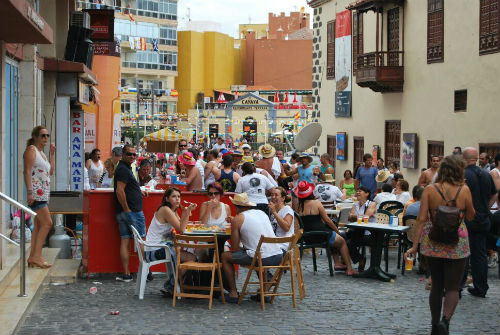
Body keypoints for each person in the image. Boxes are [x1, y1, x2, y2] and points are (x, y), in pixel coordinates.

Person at [405, 154, 475, 335]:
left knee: (436, 285)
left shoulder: (429, 190)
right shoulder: (464, 190)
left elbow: (421, 219)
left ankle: (435, 325)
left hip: (433, 241)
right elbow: (471, 215)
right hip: (457, 242)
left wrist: (414, 246)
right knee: (453, 286)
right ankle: (446, 320)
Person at [221, 193, 283, 303]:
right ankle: (264, 291)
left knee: (225, 256)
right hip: (278, 255)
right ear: (248, 206)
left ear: (235, 206)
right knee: (256, 253)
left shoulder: (238, 219)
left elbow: (234, 248)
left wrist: (235, 224)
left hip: (261, 257)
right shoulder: (261, 213)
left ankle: (233, 293)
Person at [295, 181, 357, 275]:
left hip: (307, 237)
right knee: (342, 241)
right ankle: (349, 269)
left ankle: (337, 263)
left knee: (333, 236)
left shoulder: (298, 206)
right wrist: (337, 231)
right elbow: (327, 220)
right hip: (321, 235)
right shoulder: (316, 203)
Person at [145, 187, 197, 295]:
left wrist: (187, 213)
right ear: (167, 199)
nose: (177, 199)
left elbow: (183, 225)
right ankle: (172, 285)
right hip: (154, 250)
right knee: (192, 258)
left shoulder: (172, 210)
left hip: (159, 246)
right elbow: (181, 229)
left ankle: (181, 285)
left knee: (191, 255)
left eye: (179, 196)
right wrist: (187, 212)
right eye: (174, 196)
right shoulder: (165, 210)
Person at [460, 148, 497, 298]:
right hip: (484, 218)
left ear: (464, 158)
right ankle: (481, 287)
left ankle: (457, 288)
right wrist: (486, 207)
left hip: (469, 218)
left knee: (463, 254)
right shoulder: (487, 174)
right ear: (475, 158)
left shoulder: (464, 175)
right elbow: (495, 193)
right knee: (480, 254)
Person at [114, 144, 148, 282]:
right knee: (141, 241)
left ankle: (127, 274)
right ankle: (147, 271)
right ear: (123, 154)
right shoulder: (123, 169)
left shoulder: (124, 168)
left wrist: (139, 190)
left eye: (134, 154)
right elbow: (119, 190)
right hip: (131, 211)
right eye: (129, 154)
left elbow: (125, 189)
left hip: (124, 211)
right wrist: (127, 209)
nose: (132, 157)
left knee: (125, 240)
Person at [23, 126, 55, 268]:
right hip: (36, 194)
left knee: (38, 225)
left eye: (47, 135)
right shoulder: (31, 150)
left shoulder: (42, 154)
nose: (45, 138)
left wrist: (52, 154)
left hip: (43, 193)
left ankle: (33, 257)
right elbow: (27, 171)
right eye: (42, 135)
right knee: (47, 223)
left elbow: (51, 172)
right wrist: (30, 192)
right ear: (35, 136)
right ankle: (37, 256)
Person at [347, 186, 377, 270]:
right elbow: (351, 218)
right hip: (355, 232)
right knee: (341, 237)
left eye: (361, 191)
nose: (358, 192)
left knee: (349, 242)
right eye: (357, 191)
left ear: (367, 194)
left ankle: (360, 259)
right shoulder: (355, 205)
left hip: (368, 233)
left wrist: (354, 216)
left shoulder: (371, 204)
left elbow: (366, 217)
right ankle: (346, 262)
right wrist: (355, 217)